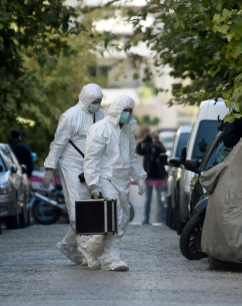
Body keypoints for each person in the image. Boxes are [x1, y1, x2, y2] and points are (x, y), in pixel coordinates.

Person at [81, 95, 147, 271]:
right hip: (106, 179)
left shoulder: (127, 132)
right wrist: (94, 185)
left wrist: (140, 177)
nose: (127, 114)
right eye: (124, 110)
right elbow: (91, 159)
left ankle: (89, 249)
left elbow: (132, 159)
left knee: (123, 220)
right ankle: (113, 259)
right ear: (116, 110)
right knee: (114, 218)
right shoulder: (100, 129)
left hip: (123, 181)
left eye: (130, 111)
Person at [43, 83, 105, 266]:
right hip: (71, 163)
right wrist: (49, 169)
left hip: (91, 164)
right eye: (95, 101)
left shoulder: (100, 115)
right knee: (78, 206)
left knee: (93, 207)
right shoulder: (70, 116)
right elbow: (58, 143)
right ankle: (85, 251)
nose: (98, 105)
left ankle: (68, 245)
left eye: (100, 101)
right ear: (86, 100)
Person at [136, 131, 167, 225]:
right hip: (148, 176)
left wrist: (157, 143)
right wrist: (142, 141)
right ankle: (146, 219)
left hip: (159, 176)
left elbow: (163, 150)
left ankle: (164, 220)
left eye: (155, 137)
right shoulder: (146, 146)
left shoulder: (159, 146)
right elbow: (138, 151)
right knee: (148, 198)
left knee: (161, 198)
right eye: (152, 137)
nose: (153, 139)